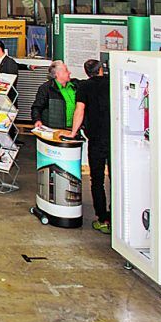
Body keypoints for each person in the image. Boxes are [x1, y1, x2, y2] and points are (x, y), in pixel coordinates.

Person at [68, 59, 111, 234]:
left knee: (97, 180)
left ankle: (102, 218)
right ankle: (118, 217)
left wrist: (73, 133)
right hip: (114, 138)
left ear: (87, 72)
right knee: (117, 179)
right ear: (101, 70)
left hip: (96, 138)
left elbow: (80, 110)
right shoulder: (111, 83)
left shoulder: (84, 87)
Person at [32, 60, 79, 130]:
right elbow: (37, 107)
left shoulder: (75, 85)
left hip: (75, 129)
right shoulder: (46, 88)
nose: (69, 72)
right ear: (57, 74)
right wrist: (37, 120)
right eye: (66, 70)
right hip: (55, 129)